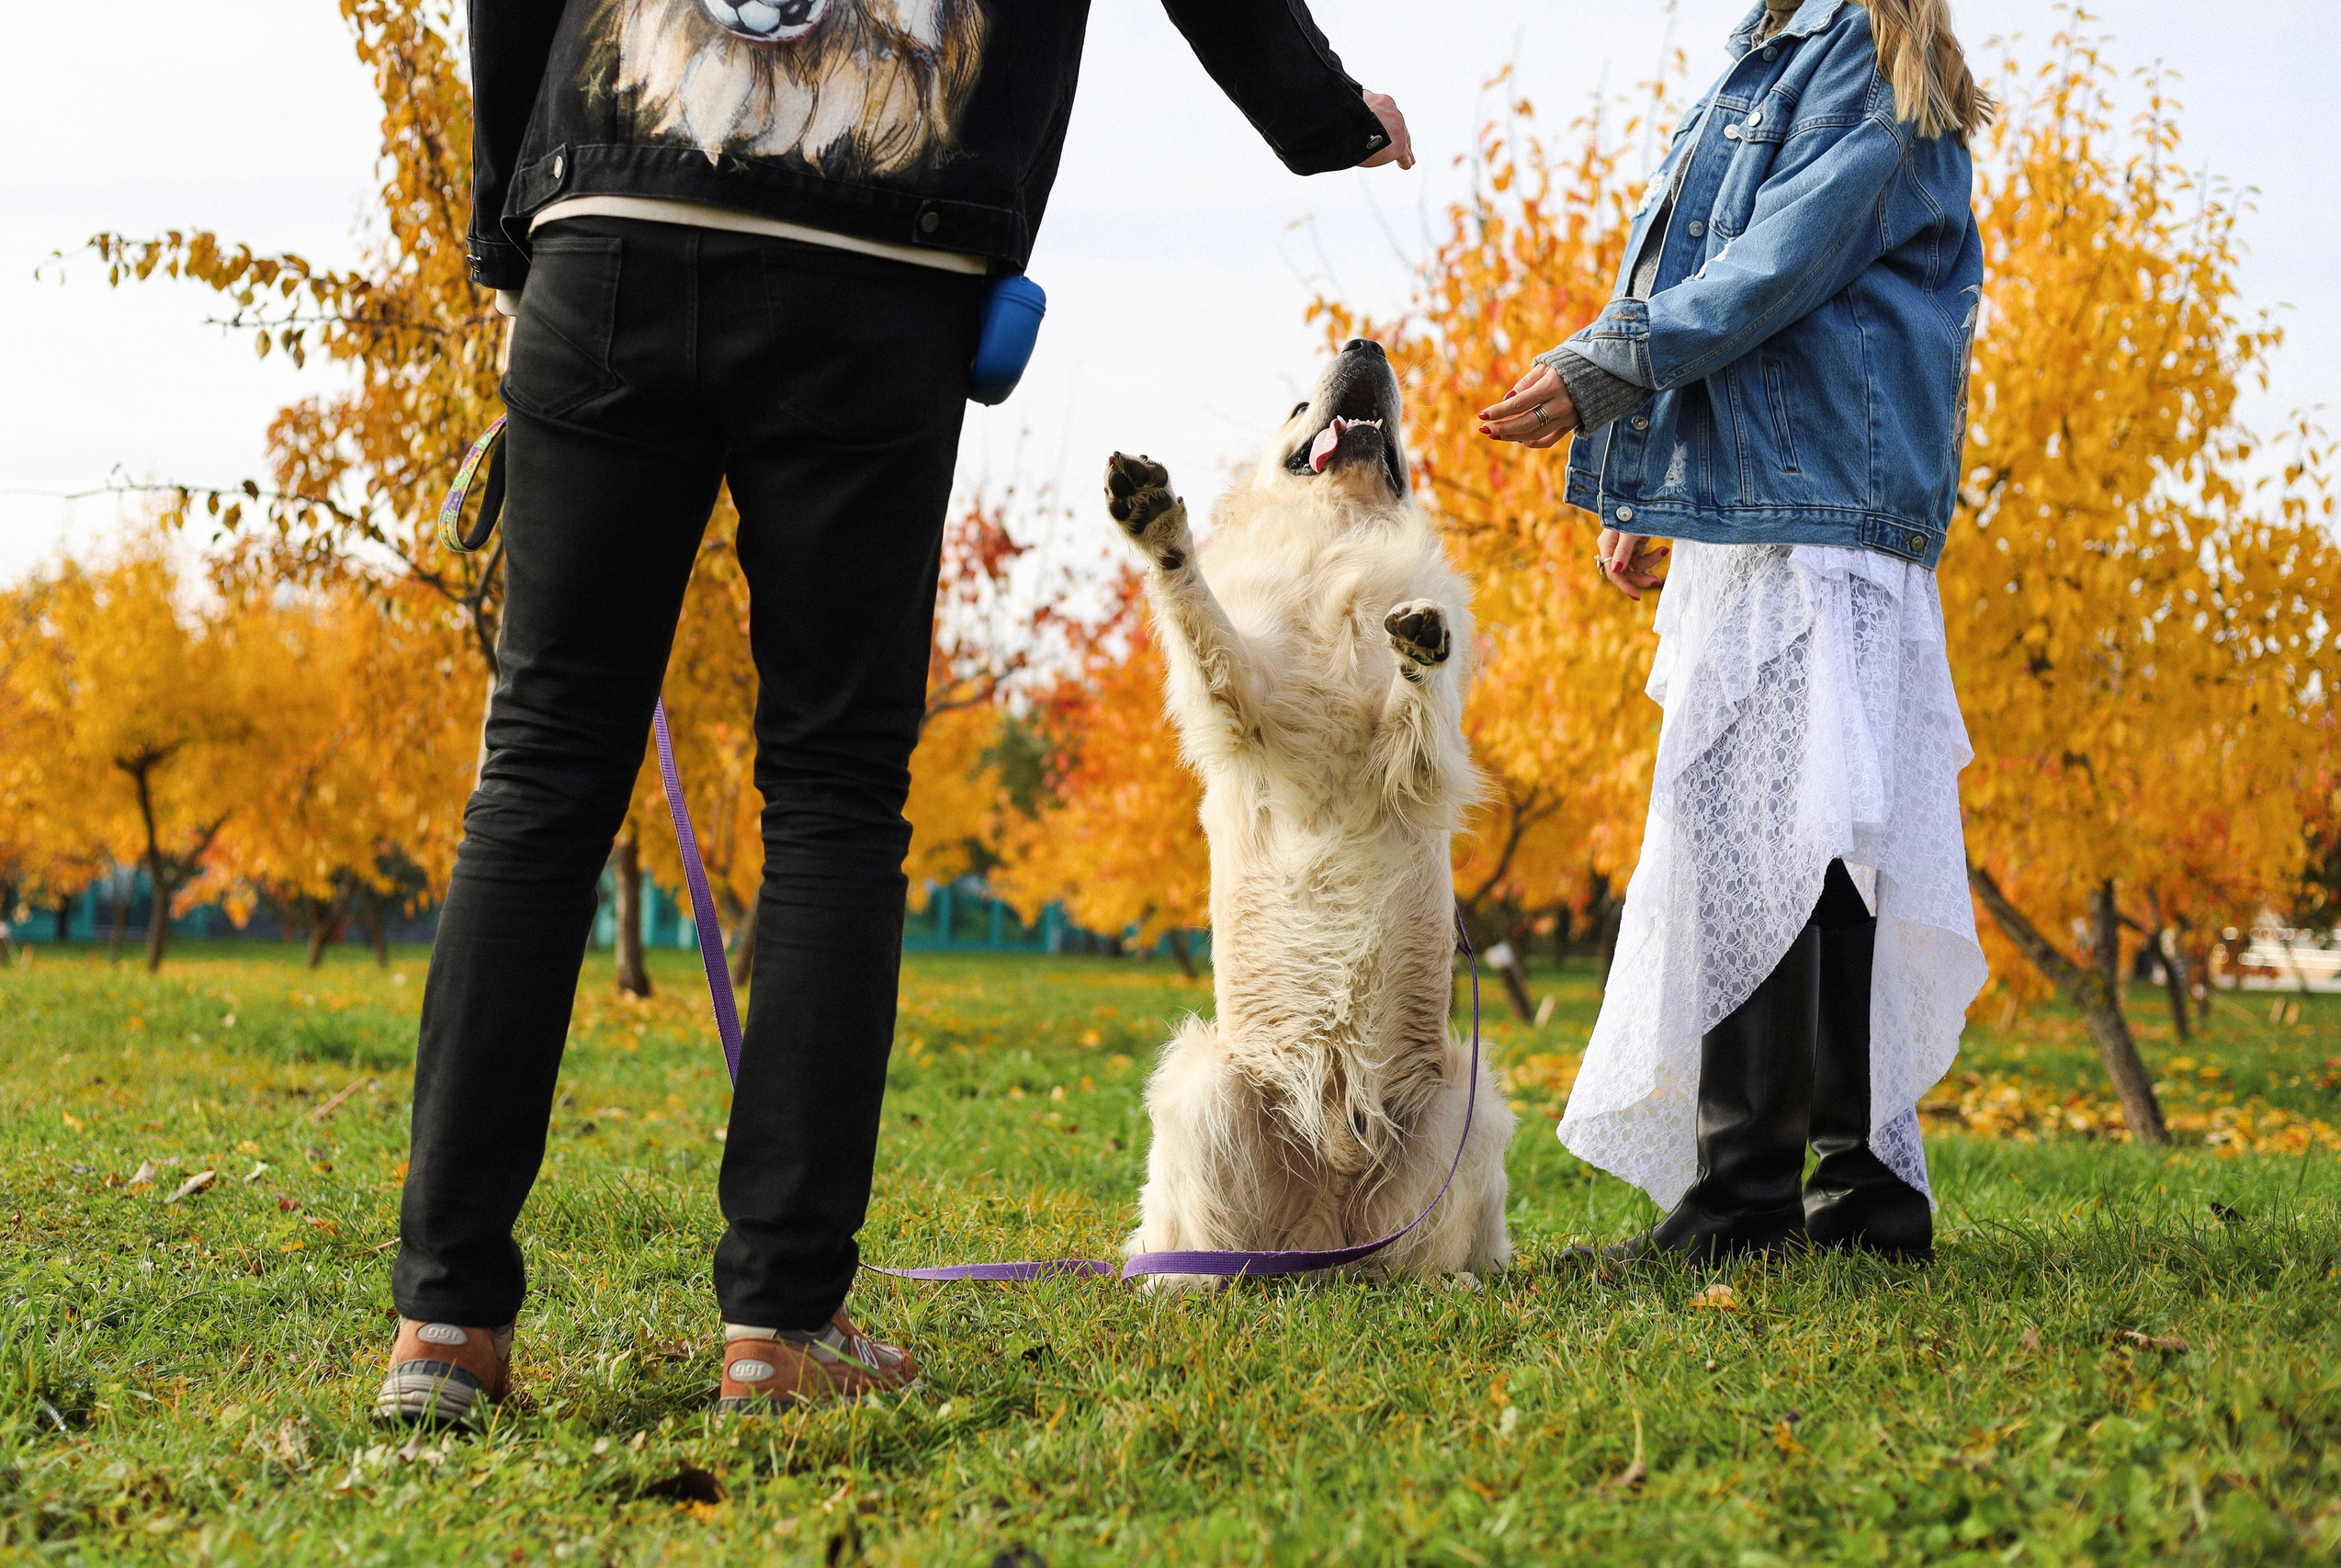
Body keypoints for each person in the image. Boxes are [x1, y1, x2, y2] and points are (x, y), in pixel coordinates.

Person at [379, 0, 1417, 1426]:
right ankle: (784, 1327)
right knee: (835, 793)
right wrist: (1324, 114)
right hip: (879, 254)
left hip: (610, 209)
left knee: (544, 773)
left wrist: (519, 217)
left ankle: (444, 1328)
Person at [1479, 0, 1989, 1264]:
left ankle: (1761, 1200)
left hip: (1820, 508)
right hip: (1779, 497)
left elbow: (1771, 271)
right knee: (1804, 840)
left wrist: (1607, 372)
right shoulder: (1773, 56)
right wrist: (1657, 485)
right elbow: (1712, 270)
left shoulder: (1863, 60)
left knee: (1788, 838)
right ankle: (1849, 1200)